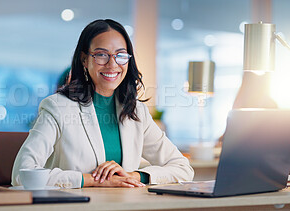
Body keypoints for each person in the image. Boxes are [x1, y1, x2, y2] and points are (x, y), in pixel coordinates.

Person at [11, 19, 194, 188]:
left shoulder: (136, 111)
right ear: (84, 59)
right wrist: (91, 180)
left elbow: (183, 168)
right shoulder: (57, 107)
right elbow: (21, 174)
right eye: (101, 55)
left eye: (120, 55)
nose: (112, 64)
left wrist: (134, 176)